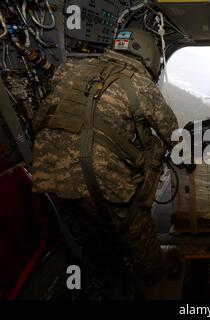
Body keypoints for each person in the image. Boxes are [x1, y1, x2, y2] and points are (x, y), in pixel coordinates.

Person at [31, 28, 179, 295]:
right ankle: (152, 271)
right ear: (149, 57)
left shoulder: (70, 68)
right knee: (136, 224)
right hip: (99, 180)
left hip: (46, 173)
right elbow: (172, 133)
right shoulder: (139, 83)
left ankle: (109, 269)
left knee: (91, 228)